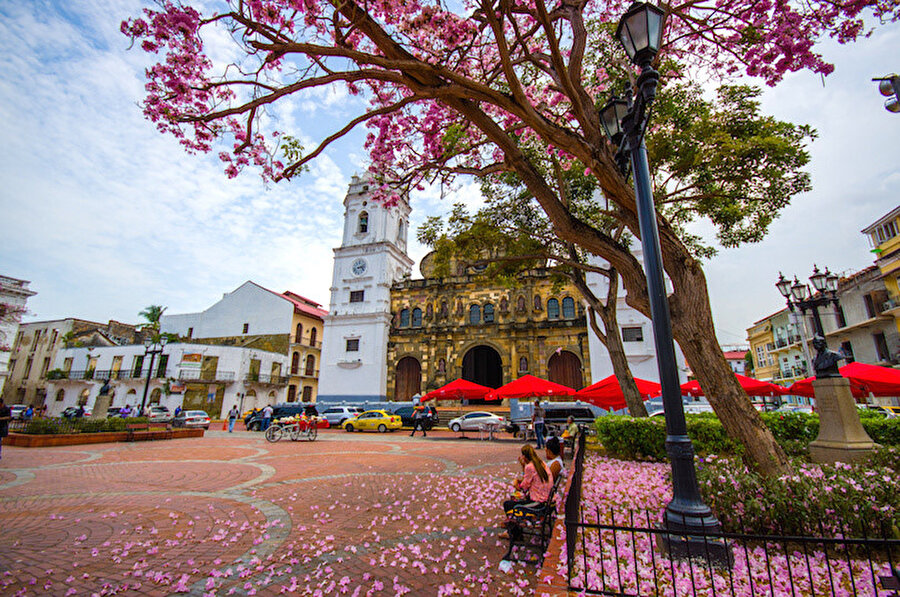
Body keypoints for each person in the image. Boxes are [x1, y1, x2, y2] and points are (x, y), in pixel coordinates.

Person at [499, 444, 553, 540]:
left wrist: (516, 483)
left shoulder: (530, 467)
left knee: (509, 505)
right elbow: (530, 481)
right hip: (546, 501)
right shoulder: (541, 463)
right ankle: (512, 530)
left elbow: (523, 488)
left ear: (524, 456)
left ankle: (514, 533)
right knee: (514, 502)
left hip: (539, 504)